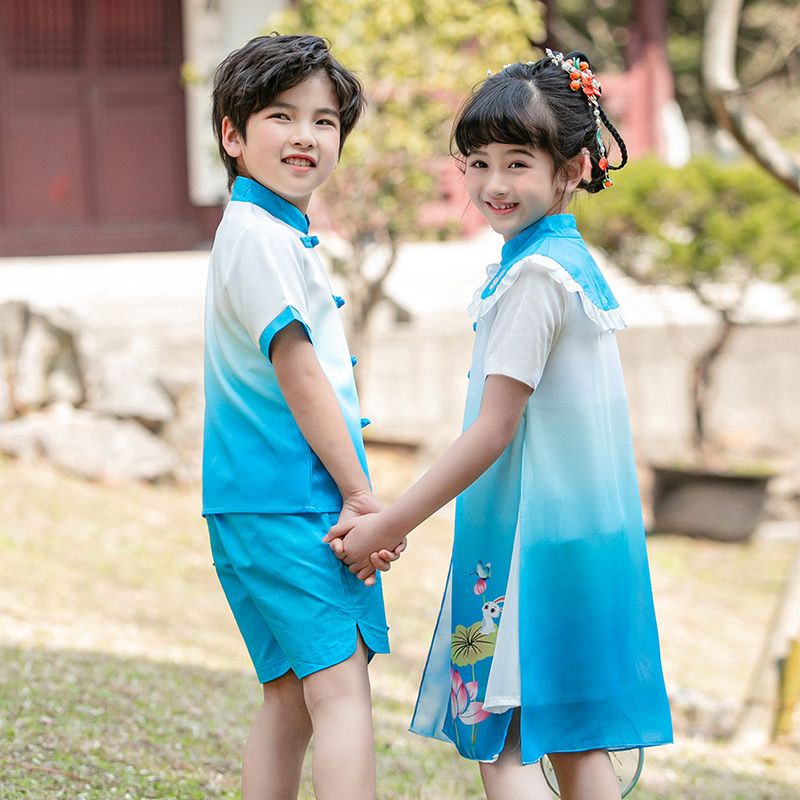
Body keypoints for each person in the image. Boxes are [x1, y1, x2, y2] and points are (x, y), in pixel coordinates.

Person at [325, 50, 673, 800]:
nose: (492, 185)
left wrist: (389, 523)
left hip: (529, 547)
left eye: (518, 162)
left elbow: (493, 432)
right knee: (578, 745)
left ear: (573, 168)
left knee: (506, 744)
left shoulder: (532, 280)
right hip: (588, 540)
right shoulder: (568, 261)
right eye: (477, 162)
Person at [203, 34, 401, 800]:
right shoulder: (259, 237)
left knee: (290, 696)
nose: (305, 136)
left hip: (256, 500)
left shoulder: (270, 232)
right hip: (296, 502)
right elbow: (300, 372)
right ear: (232, 133)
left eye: (324, 121)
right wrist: (360, 494)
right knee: (341, 688)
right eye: (280, 116)